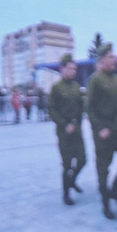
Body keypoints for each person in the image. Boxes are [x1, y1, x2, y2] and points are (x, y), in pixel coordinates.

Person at [88, 45, 117, 222]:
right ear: (102, 60)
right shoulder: (96, 80)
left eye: (115, 57)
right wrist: (99, 127)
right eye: (110, 57)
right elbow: (89, 108)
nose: (114, 60)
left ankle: (115, 189)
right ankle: (106, 204)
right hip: (102, 132)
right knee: (103, 168)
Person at [48, 67, 87, 206]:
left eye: (74, 69)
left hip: (77, 130)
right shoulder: (56, 88)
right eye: (70, 68)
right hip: (64, 131)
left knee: (83, 160)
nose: (73, 71)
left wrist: (79, 124)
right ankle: (66, 194)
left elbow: (81, 106)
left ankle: (71, 181)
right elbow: (51, 109)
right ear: (63, 69)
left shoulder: (76, 86)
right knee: (67, 164)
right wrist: (65, 125)